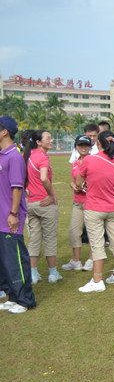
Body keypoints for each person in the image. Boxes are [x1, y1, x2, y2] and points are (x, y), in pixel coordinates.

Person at [75, 131, 114, 293]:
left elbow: (78, 181)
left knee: (97, 244)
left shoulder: (89, 160)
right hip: (113, 208)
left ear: (98, 144)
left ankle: (97, 280)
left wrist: (84, 185)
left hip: (94, 208)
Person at [0, 116, 36, 313]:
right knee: (5, 262)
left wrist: (13, 213)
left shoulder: (14, 157)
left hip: (10, 218)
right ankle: (12, 296)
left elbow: (17, 188)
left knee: (16, 261)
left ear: (4, 132)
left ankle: (25, 300)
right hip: (1, 218)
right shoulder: (2, 155)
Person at [24, 129, 60, 284]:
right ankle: (53, 273)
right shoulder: (42, 157)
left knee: (34, 239)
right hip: (45, 204)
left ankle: (33, 273)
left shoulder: (27, 155)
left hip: (30, 204)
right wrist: (52, 195)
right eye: (48, 138)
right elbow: (44, 178)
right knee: (50, 238)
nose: (51, 140)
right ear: (38, 142)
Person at [62, 136, 93, 272]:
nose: (83, 147)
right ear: (76, 147)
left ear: (90, 147)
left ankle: (92, 259)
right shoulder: (75, 162)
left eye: (86, 145)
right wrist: (73, 185)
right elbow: (72, 180)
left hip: (91, 202)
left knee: (92, 232)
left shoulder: (93, 160)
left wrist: (86, 186)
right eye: (80, 145)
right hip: (78, 202)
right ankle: (76, 261)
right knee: (74, 232)